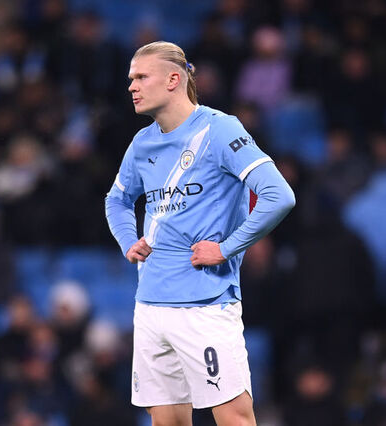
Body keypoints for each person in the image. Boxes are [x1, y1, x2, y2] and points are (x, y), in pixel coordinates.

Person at [104, 41, 295, 426]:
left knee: (235, 419)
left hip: (205, 303)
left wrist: (226, 248)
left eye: (141, 77)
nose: (131, 86)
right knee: (167, 423)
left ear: (173, 80)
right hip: (151, 303)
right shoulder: (142, 143)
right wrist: (128, 240)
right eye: (130, 78)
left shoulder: (219, 129)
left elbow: (279, 195)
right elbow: (117, 200)